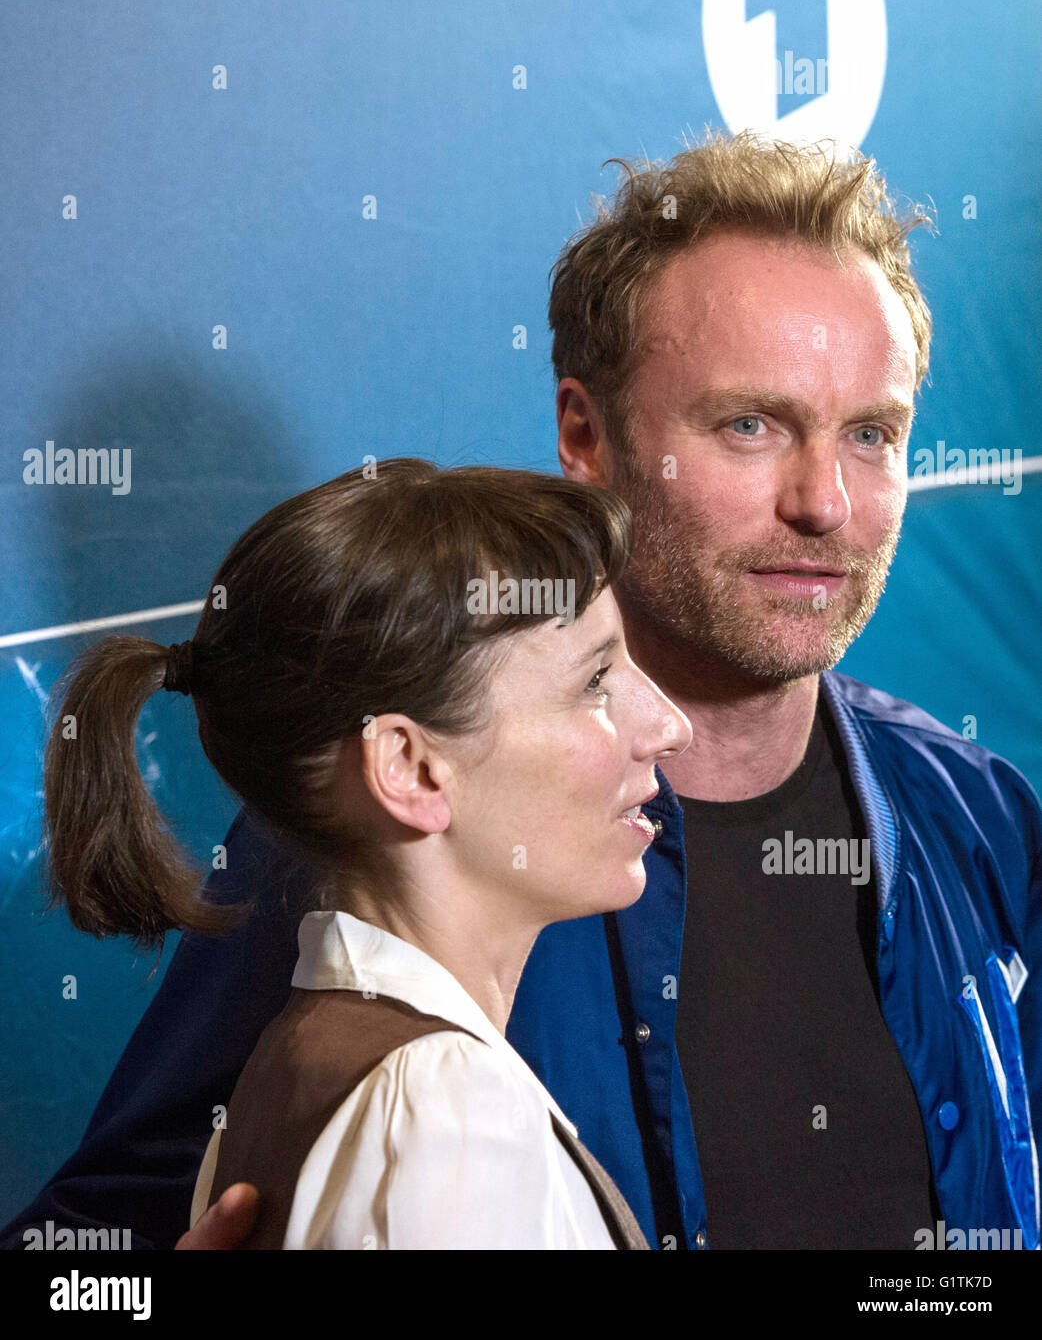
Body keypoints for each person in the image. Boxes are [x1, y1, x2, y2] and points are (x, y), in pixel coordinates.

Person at [5, 131, 1039, 1252]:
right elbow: (76, 1262)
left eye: (872, 435)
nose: (823, 502)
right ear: (584, 435)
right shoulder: (382, 837)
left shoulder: (975, 813)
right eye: (749, 424)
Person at [34, 461, 691, 1248]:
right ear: (410, 769)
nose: (667, 725)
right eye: (594, 681)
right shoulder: (448, 1115)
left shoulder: (310, 1070)